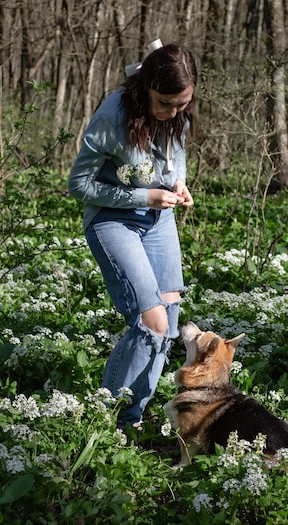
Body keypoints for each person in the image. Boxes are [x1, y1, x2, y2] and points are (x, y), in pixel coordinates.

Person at [68, 43, 197, 430]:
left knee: (170, 323)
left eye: (182, 104)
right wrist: (143, 195)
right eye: (165, 103)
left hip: (158, 219)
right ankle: (106, 417)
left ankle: (133, 418)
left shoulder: (177, 114)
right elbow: (79, 184)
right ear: (144, 88)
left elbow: (179, 150)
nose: (174, 112)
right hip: (112, 220)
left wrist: (179, 181)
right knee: (152, 321)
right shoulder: (112, 117)